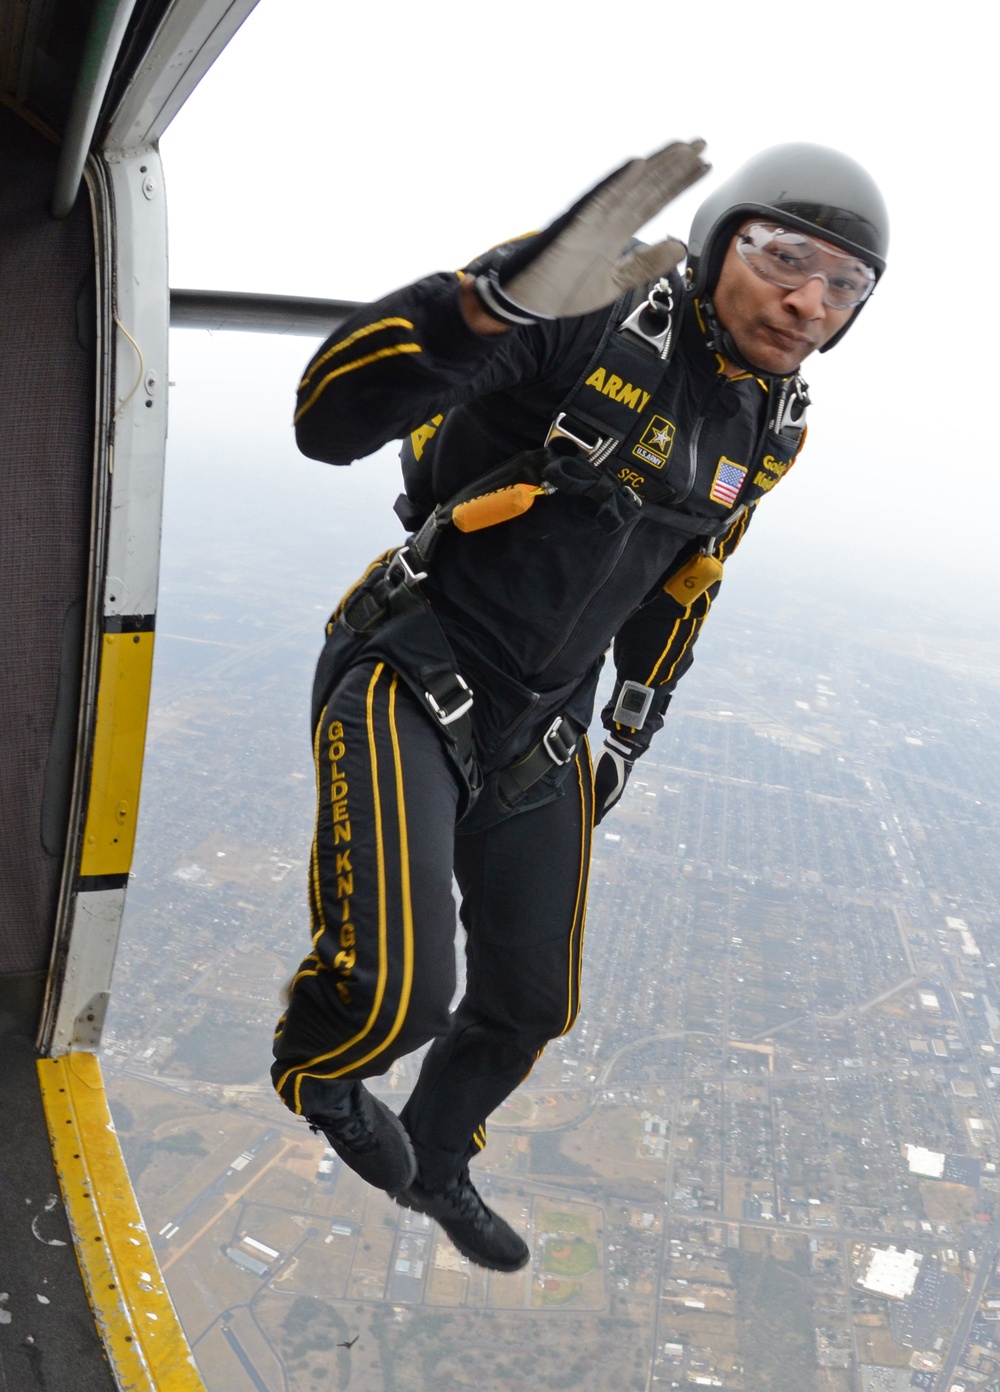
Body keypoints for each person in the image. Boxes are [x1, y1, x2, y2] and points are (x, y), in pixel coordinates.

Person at [271, 141, 889, 1273]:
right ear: (716, 248)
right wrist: (488, 307)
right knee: (397, 993)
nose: (810, 301)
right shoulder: (596, 324)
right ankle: (318, 1069)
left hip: (545, 722)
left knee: (530, 1003)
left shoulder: (770, 420)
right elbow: (328, 420)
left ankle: (438, 1154)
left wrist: (627, 733)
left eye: (845, 284)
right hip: (414, 667)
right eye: (784, 258)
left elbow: (688, 574)